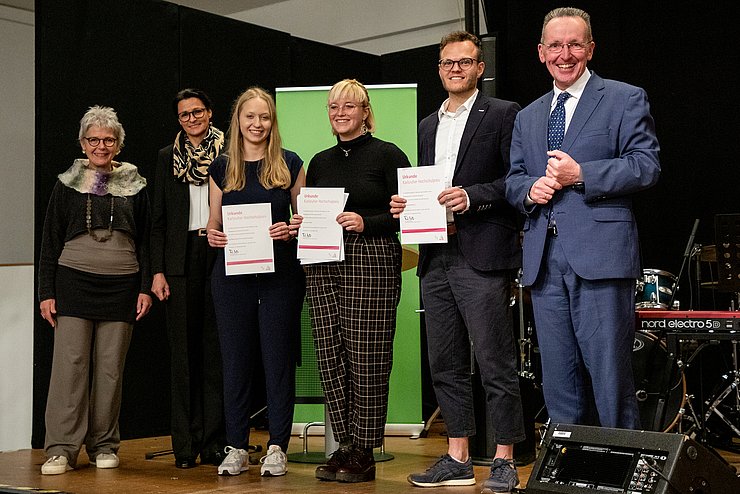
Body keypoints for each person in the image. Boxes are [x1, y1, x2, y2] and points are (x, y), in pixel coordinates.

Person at [505, 7, 660, 430]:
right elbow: (514, 179)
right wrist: (529, 190)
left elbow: (646, 165)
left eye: (575, 44)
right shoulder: (528, 115)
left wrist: (583, 174)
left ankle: (621, 470)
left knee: (611, 380)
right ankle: (572, 473)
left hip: (601, 259)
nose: (565, 53)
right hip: (543, 262)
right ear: (541, 52)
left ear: (590, 49)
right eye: (556, 45)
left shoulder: (624, 98)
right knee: (559, 382)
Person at [390, 31, 525, 493]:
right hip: (434, 254)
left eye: (463, 62)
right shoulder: (427, 125)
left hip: (482, 253)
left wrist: (472, 197)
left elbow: (516, 181)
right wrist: (406, 206)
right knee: (444, 363)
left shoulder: (504, 114)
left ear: (479, 67)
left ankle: (504, 458)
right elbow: (427, 186)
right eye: (447, 63)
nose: (454, 69)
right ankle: (457, 455)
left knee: (494, 361)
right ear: (439, 69)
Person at [291, 79, 411, 483]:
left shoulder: (388, 155)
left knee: (367, 355)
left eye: (348, 106)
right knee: (330, 353)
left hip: (371, 257)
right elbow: (314, 210)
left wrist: (368, 221)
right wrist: (301, 224)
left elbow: (409, 213)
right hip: (322, 261)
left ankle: (364, 448)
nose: (340, 113)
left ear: (365, 111)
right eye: (333, 107)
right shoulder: (320, 161)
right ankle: (343, 444)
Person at [38, 106, 152, 475]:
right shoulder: (66, 182)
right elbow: (50, 239)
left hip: (122, 285)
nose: (100, 146)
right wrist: (46, 292)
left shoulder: (136, 183)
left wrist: (146, 288)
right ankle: (60, 449)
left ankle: (104, 444)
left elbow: (148, 240)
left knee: (109, 370)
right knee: (69, 368)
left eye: (108, 139)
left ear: (118, 143)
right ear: (83, 143)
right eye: (93, 139)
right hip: (73, 282)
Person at [206, 87, 305, 478]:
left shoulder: (290, 163)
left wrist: (291, 230)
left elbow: (306, 221)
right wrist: (211, 235)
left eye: (264, 117)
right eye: (250, 117)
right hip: (231, 278)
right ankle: (236, 446)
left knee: (278, 361)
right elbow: (213, 223)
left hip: (280, 277)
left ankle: (278, 446)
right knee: (235, 363)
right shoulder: (221, 168)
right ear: (238, 121)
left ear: (272, 121)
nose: (257, 124)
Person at [150, 88, 227, 469]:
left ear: (210, 113)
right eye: (184, 115)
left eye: (198, 112)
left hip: (220, 251)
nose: (192, 119)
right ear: (178, 120)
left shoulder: (230, 155)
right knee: (183, 354)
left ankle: (214, 442)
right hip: (178, 259)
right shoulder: (167, 158)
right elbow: (158, 219)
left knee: (215, 352)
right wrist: (158, 270)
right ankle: (185, 444)